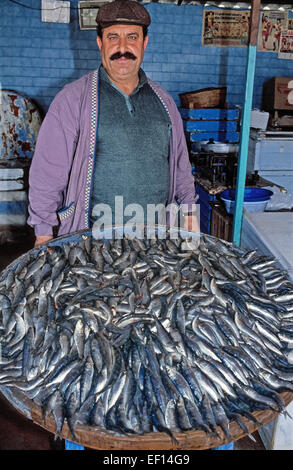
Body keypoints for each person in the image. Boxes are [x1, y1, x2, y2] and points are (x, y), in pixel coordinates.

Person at [28, 0, 199, 247]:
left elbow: (182, 171)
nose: (122, 47)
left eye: (132, 37)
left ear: (144, 43)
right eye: (112, 37)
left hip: (155, 241)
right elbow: (47, 173)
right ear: (100, 43)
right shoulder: (72, 100)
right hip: (91, 243)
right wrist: (43, 233)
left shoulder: (164, 102)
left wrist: (190, 224)